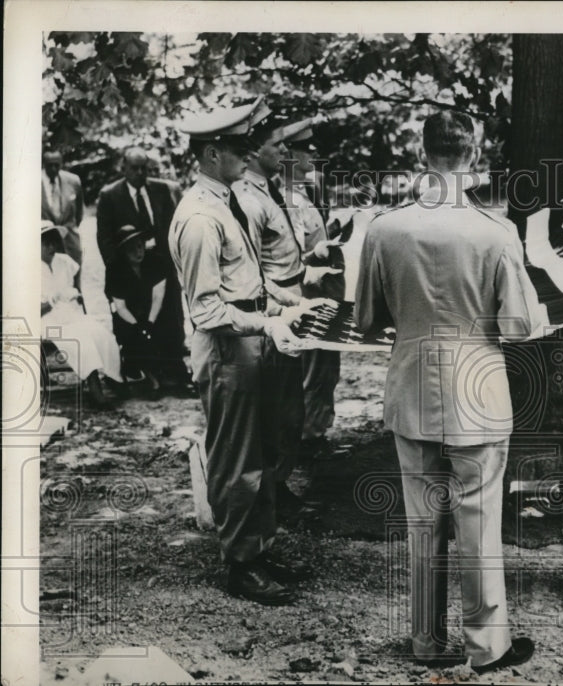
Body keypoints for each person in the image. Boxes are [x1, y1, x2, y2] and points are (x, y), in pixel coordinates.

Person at [355, 111, 544, 673]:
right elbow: (519, 325)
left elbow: (366, 318)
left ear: (423, 153)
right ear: (475, 154)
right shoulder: (495, 231)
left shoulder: (385, 228)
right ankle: (487, 646)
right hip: (477, 389)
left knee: (421, 523)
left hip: (412, 384)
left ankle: (426, 642)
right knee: (478, 522)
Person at [169, 97, 315, 606]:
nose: (247, 154)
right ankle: (240, 563)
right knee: (235, 458)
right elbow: (207, 309)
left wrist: (287, 300)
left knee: (263, 451)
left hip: (254, 339)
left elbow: (248, 277)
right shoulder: (200, 218)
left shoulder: (229, 202)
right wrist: (267, 321)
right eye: (237, 147)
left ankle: (259, 547)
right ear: (212, 154)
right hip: (229, 348)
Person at [231, 116, 310, 519]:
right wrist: (283, 308)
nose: (285, 151)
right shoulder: (247, 199)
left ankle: (278, 486)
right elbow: (251, 271)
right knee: (275, 408)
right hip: (271, 313)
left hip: (291, 303)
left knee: (291, 406)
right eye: (277, 145)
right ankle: (269, 496)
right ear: (253, 152)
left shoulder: (271, 189)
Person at [277, 120, 345, 462]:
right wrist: (321, 253)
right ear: (287, 154)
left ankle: (315, 432)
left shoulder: (304, 192)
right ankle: (305, 439)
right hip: (305, 296)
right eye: (305, 149)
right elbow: (289, 258)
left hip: (321, 295)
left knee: (325, 369)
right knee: (311, 371)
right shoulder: (285, 199)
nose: (313, 154)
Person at [96, 147, 189, 387]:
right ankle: (141, 368)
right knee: (135, 319)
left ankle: (174, 368)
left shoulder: (162, 190)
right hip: (130, 271)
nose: (140, 173)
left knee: (171, 316)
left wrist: (173, 261)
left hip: (161, 267)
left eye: (143, 168)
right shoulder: (110, 195)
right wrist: (120, 271)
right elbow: (104, 239)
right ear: (123, 168)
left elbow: (173, 228)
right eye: (134, 168)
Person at [41, 222, 122, 406]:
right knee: (80, 339)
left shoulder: (64, 262)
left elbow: (76, 287)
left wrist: (74, 294)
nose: (51, 247)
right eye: (46, 243)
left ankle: (115, 378)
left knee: (101, 333)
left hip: (71, 314)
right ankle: (96, 391)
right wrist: (54, 299)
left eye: (53, 242)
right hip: (46, 321)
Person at [105, 225, 176, 391]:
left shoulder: (156, 261)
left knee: (163, 328)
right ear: (123, 251)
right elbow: (120, 306)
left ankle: (162, 371)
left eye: (140, 246)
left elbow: (158, 296)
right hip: (128, 316)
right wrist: (138, 326)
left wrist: (149, 324)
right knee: (133, 335)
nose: (138, 252)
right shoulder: (115, 270)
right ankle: (146, 375)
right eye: (131, 249)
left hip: (153, 312)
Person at [41, 150, 85, 267]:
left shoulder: (73, 181)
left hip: (70, 244)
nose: (54, 169)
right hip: (45, 247)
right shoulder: (33, 183)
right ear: (43, 164)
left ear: (61, 164)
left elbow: (78, 214)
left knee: (73, 282)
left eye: (57, 165)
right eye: (50, 165)